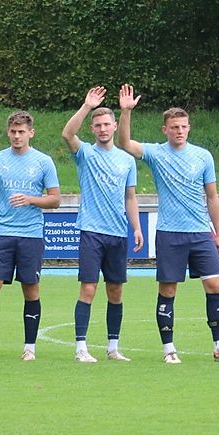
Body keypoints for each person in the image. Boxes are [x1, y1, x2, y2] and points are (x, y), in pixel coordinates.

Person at [117, 84, 219, 364]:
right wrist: (126, 112)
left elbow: (212, 197)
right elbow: (125, 143)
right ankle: (169, 349)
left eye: (183, 127)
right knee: (168, 290)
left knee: (215, 285)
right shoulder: (155, 153)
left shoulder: (203, 156)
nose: (179, 131)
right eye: (174, 127)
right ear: (165, 129)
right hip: (170, 234)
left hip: (200, 233)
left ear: (189, 128)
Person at [0, 111, 61, 362]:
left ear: (31, 133)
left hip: (31, 234)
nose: (17, 136)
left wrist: (30, 199)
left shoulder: (43, 161)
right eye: (13, 132)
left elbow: (55, 199)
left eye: (21, 132)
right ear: (8, 132)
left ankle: (29, 347)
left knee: (31, 289)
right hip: (2, 232)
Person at [62, 87, 144, 363]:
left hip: (118, 233)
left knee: (116, 291)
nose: (102, 129)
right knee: (88, 289)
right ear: (93, 129)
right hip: (91, 231)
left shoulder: (127, 160)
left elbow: (130, 197)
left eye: (107, 124)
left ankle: (113, 348)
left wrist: (136, 227)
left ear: (114, 126)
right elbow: (67, 134)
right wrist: (87, 106)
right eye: (97, 125)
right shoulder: (85, 153)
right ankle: (81, 348)